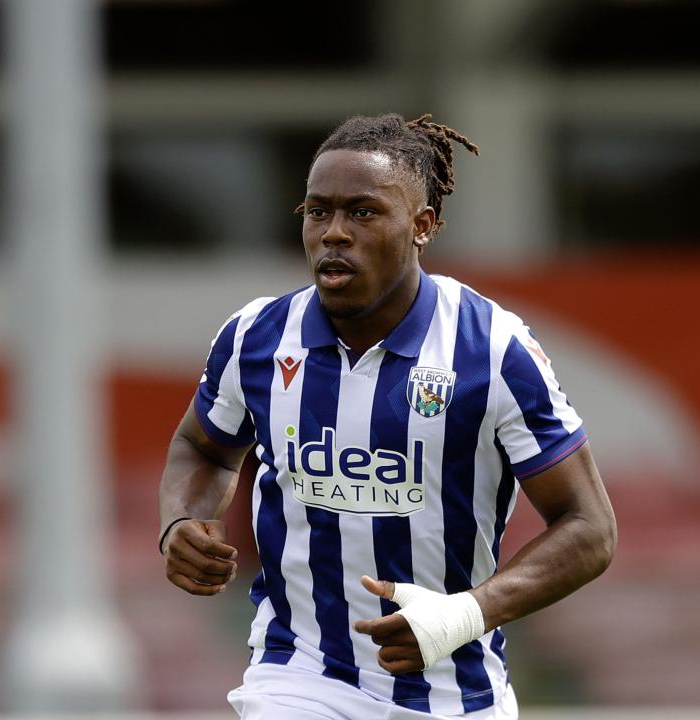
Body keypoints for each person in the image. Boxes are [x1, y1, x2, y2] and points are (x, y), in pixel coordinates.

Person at [158, 113, 617, 719]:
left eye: (363, 212)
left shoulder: (492, 348)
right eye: (318, 212)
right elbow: (203, 446)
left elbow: (589, 528)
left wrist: (464, 613)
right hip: (300, 677)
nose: (334, 233)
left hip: (457, 695)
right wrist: (180, 521)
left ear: (421, 226)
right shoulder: (257, 337)